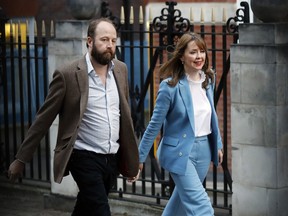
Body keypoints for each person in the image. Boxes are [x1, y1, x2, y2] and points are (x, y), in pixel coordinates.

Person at [7, 18, 139, 216]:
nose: (110, 45)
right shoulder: (68, 74)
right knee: (101, 210)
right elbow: (43, 119)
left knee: (86, 208)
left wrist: (131, 158)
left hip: (111, 157)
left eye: (113, 40)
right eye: (104, 40)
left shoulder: (120, 70)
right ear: (90, 41)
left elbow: (125, 117)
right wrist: (21, 159)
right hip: (84, 156)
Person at [136, 32, 223, 215]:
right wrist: (139, 157)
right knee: (202, 207)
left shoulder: (208, 79)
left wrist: (218, 144)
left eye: (202, 51)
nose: (199, 56)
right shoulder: (170, 87)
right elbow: (153, 126)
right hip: (179, 152)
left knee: (179, 205)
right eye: (193, 52)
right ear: (182, 56)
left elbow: (210, 115)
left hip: (204, 150)